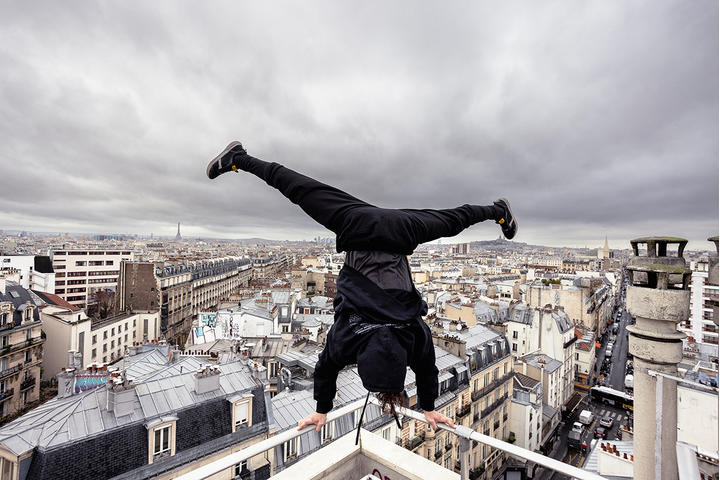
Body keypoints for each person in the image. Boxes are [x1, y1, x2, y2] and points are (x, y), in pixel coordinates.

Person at [206, 141, 518, 433]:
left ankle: (498, 211)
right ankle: (239, 159)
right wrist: (322, 409)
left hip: (398, 229)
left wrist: (428, 405)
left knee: (454, 219)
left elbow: (426, 369)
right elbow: (325, 368)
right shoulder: (349, 338)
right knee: (295, 187)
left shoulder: (411, 334)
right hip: (356, 224)